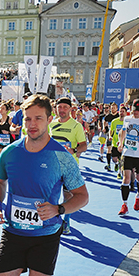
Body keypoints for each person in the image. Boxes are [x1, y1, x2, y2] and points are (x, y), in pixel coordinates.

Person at [0, 94, 88, 276]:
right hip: (13, 232)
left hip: (45, 235)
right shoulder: (9, 152)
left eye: (38, 119)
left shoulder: (61, 156)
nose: (32, 124)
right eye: (28, 118)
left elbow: (82, 195)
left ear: (49, 120)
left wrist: (59, 209)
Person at [49, 97, 87, 234]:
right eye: (60, 107)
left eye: (65, 107)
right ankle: (51, 219)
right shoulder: (51, 124)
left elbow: (84, 146)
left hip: (69, 167)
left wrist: (74, 150)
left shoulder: (76, 125)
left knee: (68, 196)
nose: (62, 110)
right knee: (50, 194)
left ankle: (66, 220)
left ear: (71, 109)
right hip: (52, 166)